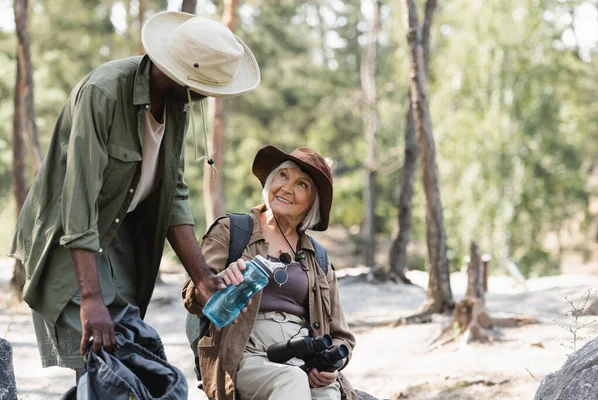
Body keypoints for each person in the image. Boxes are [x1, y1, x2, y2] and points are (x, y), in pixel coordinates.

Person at [8, 11, 260, 380]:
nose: (207, 96)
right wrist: (91, 299)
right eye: (204, 86)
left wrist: (203, 275)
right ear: (179, 74)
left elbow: (173, 194)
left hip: (120, 234)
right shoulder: (104, 92)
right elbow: (78, 199)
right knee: (98, 350)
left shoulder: (177, 106)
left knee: (126, 352)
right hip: (67, 235)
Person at [182, 146, 358, 400]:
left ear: (313, 202)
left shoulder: (317, 257)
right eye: (282, 175)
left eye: (302, 184)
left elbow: (341, 336)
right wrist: (220, 282)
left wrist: (332, 365)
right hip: (242, 355)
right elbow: (193, 295)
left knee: (327, 392)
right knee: (290, 380)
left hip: (303, 360)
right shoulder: (232, 230)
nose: (287, 187)